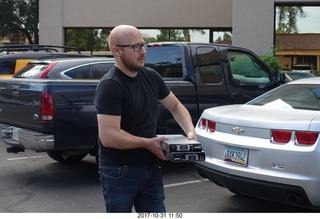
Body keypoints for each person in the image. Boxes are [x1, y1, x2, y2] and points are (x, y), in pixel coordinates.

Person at [94, 24, 197, 213]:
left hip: (150, 167)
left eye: (143, 45)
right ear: (117, 51)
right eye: (136, 47)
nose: (143, 52)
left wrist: (190, 131)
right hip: (119, 171)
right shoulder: (110, 85)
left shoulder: (151, 76)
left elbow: (175, 106)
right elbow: (109, 136)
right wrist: (148, 143)